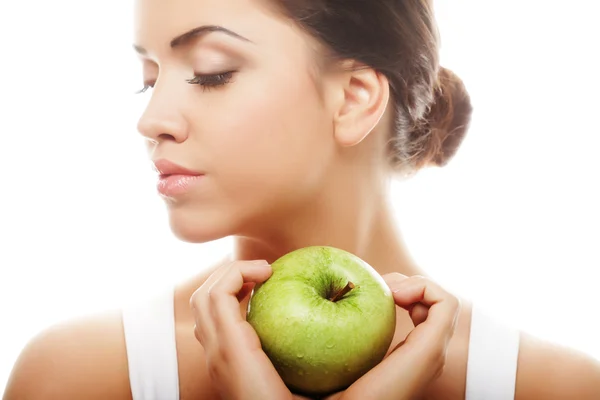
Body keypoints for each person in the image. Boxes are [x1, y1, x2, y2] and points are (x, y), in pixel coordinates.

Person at [4, 0, 600, 399]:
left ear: (353, 99)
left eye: (211, 72)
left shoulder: (559, 388)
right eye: (149, 77)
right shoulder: (76, 376)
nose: (151, 118)